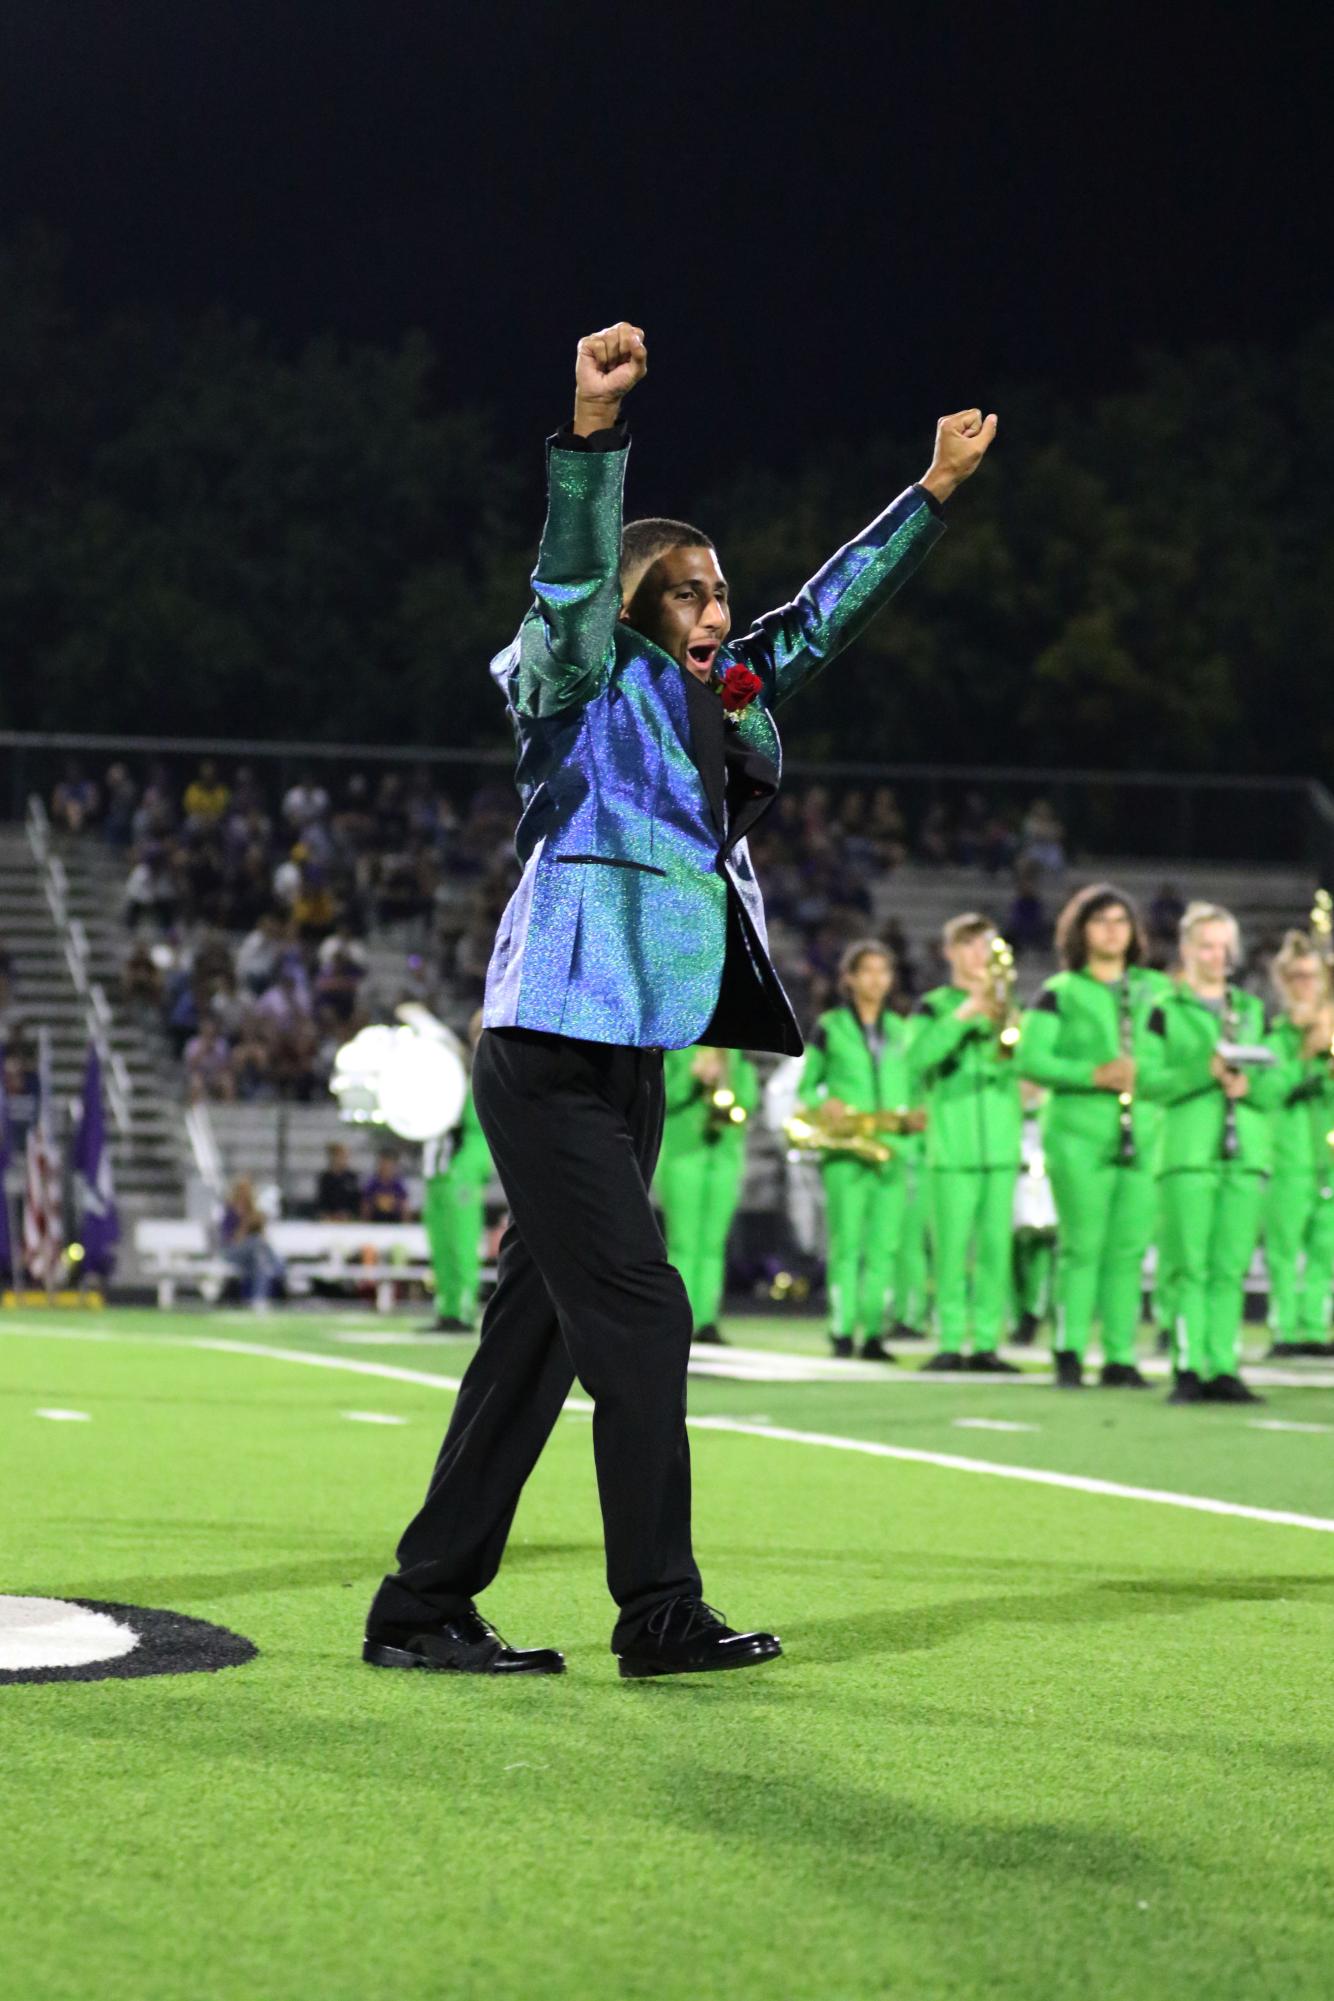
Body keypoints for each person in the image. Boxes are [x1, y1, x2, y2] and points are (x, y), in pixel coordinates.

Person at [364, 319, 994, 1681]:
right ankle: (656, 1609)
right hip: (544, 1043)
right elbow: (573, 575)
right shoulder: (577, 684)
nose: (721, 611)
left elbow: (819, 618)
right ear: (643, 603)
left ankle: (421, 1603)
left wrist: (928, 495)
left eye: (721, 592)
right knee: (642, 1314)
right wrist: (591, 438)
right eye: (697, 594)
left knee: (536, 1332)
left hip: (628, 1052)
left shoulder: (720, 701)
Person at [1151, 902, 1314, 1405]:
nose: (1217, 955)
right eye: (1206, 945)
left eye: (1224, 946)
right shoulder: (1163, 1008)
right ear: (1186, 950)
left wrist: (1250, 1086)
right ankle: (1187, 1365)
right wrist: (1206, 1073)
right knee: (1189, 1266)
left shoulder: (1249, 1010)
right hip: (1188, 1152)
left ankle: (1222, 1365)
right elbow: (1149, 1079)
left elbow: (1272, 1086)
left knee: (1229, 1268)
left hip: (1245, 1153)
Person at [1017, 884, 1173, 1388]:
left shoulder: (1157, 990)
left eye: (1121, 921)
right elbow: (1031, 1060)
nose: (1112, 930)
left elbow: (1178, 1058)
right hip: (1077, 1133)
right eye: (1100, 920)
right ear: (1080, 931)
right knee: (1082, 1245)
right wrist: (1093, 1074)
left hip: (1144, 1131)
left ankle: (1121, 1357)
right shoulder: (1059, 992)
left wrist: (1140, 1075)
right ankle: (1068, 1350)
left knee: (1129, 1251)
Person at [797, 940, 922, 1360]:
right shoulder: (829, 1027)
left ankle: (873, 1334)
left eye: (884, 971)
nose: (877, 979)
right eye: (867, 971)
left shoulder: (904, 1030)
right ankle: (841, 1330)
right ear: (848, 979)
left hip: (891, 1148)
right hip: (847, 1150)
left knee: (885, 1247)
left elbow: (917, 1086)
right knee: (847, 1244)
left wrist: (915, 1120)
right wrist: (822, 1104)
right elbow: (804, 1087)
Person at [910, 913, 1022, 1373]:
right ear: (951, 952)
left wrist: (1000, 1018)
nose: (981, 957)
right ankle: (952, 1340)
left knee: (996, 1251)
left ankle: (988, 1344)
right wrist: (963, 1015)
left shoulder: (1009, 1010)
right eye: (972, 947)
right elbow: (918, 1058)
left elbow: (1021, 1065)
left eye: (988, 947)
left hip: (1000, 1148)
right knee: (952, 1251)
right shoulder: (933, 1007)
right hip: (952, 1150)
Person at [655, 1044, 758, 1347]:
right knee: (684, 1243)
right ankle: (679, 1318)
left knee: (713, 1244)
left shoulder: (735, 1050)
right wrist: (692, 1078)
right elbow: (663, 1097)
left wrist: (731, 1086)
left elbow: (749, 1101)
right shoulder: (676, 1046)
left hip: (724, 1154)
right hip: (683, 1155)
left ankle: (707, 1320)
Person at [1263, 932, 1334, 1357]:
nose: (1304, 985)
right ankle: (1285, 1329)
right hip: (1287, 1157)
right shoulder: (1273, 1041)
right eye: (1295, 977)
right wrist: (1305, 1058)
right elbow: (1267, 1092)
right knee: (1285, 1248)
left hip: (1329, 1157)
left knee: (1328, 1247)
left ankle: (1314, 1327)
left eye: (1311, 977)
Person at [421, 1015, 494, 1334]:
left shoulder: (488, 1062)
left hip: (467, 1155)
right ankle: (446, 1306)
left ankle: (463, 1310)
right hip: (443, 1160)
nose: (478, 1037)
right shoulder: (460, 1065)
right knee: (441, 1238)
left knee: (463, 1238)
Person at [220, 1177, 284, 1308]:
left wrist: (259, 1223)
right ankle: (279, 1267)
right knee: (256, 1242)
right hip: (232, 1252)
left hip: (251, 1256)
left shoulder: (253, 1211)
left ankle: (258, 1300)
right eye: (242, 1190)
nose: (245, 1194)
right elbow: (234, 1241)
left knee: (260, 1264)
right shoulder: (230, 1212)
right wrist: (245, 1223)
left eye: (247, 1191)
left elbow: (264, 1239)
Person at [316, 1141, 362, 1221]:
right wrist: (326, 1214)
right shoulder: (325, 1178)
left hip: (347, 1218)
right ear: (333, 1157)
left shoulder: (352, 1177)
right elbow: (321, 1201)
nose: (343, 1159)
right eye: (340, 1156)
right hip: (329, 1219)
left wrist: (348, 1214)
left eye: (344, 1157)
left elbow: (356, 1201)